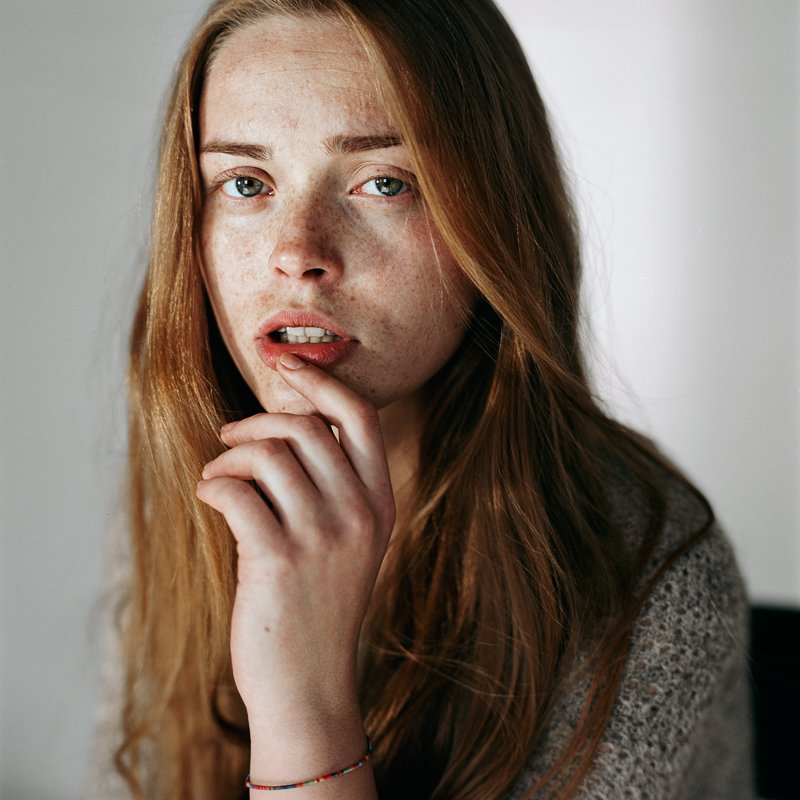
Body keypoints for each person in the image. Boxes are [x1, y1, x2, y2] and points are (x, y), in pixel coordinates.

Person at [91, 0, 753, 797]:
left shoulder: (649, 577)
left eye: (383, 183)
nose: (297, 252)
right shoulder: (199, 493)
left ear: (495, 220)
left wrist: (303, 703)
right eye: (245, 182)